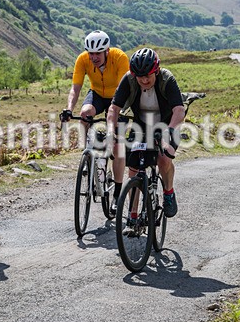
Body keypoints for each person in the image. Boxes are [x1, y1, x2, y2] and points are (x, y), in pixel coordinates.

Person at [107, 48, 185, 219]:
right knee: (134, 167)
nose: (144, 80)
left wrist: (170, 132)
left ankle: (169, 192)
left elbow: (179, 110)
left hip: (167, 124)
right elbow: (114, 108)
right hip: (141, 126)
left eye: (148, 75)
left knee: (164, 158)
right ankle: (133, 216)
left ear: (156, 70)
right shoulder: (129, 79)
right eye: (139, 76)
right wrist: (111, 131)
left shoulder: (167, 79)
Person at [60, 30, 130, 207]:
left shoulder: (120, 58)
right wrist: (69, 109)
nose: (94, 57)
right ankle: (88, 154)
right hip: (97, 94)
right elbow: (75, 88)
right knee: (85, 114)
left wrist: (113, 117)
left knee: (117, 146)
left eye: (98, 53)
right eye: (91, 53)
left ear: (107, 51)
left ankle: (117, 195)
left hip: (118, 97)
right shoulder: (82, 60)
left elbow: (126, 89)